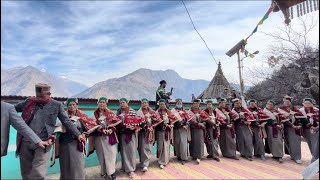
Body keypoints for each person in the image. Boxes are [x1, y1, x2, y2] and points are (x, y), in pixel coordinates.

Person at [14, 83, 85, 179]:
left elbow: (67, 121)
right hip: (25, 142)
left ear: (49, 94)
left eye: (42, 96)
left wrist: (78, 135)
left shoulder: (57, 105)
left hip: (44, 142)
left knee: (38, 173)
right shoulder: (30, 101)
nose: (39, 99)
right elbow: (12, 109)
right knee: (26, 172)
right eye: (37, 96)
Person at [51, 98, 100, 180]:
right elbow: (58, 129)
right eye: (70, 105)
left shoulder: (82, 117)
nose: (72, 106)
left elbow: (90, 127)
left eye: (74, 104)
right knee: (65, 165)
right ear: (67, 106)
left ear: (77, 105)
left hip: (77, 145)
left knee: (78, 165)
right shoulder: (64, 116)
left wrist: (85, 134)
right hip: (65, 144)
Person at [88, 97, 120, 180]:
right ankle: (104, 172)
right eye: (100, 102)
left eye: (103, 102)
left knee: (112, 155)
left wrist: (111, 129)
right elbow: (91, 125)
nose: (102, 104)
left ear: (106, 104)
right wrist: (100, 129)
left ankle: (112, 172)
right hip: (99, 138)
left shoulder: (110, 113)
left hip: (109, 138)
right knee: (101, 156)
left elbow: (115, 124)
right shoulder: (94, 115)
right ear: (98, 103)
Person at [116, 98, 144, 178]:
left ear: (127, 102)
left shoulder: (132, 111)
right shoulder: (118, 112)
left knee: (131, 152)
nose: (122, 104)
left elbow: (138, 123)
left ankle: (131, 170)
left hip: (130, 135)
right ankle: (125, 167)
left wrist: (133, 127)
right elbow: (115, 122)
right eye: (120, 103)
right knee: (123, 151)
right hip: (121, 134)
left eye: (123, 102)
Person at [137, 98, 162, 172]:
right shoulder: (139, 113)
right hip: (141, 132)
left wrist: (152, 126)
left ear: (148, 104)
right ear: (141, 104)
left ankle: (145, 164)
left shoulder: (152, 112)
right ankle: (142, 162)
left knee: (147, 148)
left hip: (149, 132)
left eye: (145, 103)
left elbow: (157, 120)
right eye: (143, 103)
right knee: (141, 148)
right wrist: (145, 126)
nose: (144, 104)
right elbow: (137, 122)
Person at [278, 95, 305, 164]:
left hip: (294, 128)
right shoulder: (280, 109)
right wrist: (290, 124)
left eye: (288, 102)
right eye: (285, 102)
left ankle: (297, 157)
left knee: (295, 142)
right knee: (288, 142)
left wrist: (299, 125)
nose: (287, 103)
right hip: (285, 127)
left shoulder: (295, 109)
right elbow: (282, 118)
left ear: (290, 102)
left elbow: (300, 118)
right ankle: (292, 155)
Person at [155, 99, 178, 169]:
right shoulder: (157, 112)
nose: (162, 105)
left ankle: (164, 161)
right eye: (161, 104)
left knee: (166, 145)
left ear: (165, 105)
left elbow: (173, 119)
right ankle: (161, 160)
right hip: (160, 131)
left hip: (167, 131)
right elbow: (157, 121)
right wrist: (165, 125)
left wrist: (171, 124)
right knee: (160, 146)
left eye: (163, 104)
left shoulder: (168, 112)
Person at [188, 99, 210, 164]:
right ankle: (193, 155)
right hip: (192, 128)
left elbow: (206, 118)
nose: (196, 105)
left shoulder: (201, 111)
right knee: (193, 142)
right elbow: (189, 120)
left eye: (197, 104)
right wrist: (197, 123)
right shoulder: (190, 111)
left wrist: (203, 123)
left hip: (200, 129)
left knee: (199, 142)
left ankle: (199, 156)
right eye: (194, 104)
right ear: (192, 104)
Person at [171, 98, 192, 165]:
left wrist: (186, 125)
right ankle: (179, 156)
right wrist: (181, 125)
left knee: (183, 143)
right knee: (177, 143)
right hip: (176, 129)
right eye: (178, 103)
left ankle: (184, 158)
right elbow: (173, 120)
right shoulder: (173, 111)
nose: (179, 104)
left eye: (180, 103)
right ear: (176, 103)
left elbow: (188, 119)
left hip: (184, 129)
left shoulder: (184, 111)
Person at [299, 98, 319, 163]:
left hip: (316, 129)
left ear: (312, 104)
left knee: (315, 143)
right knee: (310, 143)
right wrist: (311, 126)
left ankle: (315, 158)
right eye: (305, 103)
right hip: (306, 129)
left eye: (309, 103)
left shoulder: (316, 110)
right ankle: (314, 157)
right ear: (303, 104)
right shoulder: (301, 110)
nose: (307, 104)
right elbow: (302, 120)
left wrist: (316, 127)